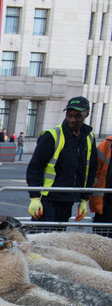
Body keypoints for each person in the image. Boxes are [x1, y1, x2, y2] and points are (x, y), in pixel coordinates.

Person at [26, 96, 98, 226]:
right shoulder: (51, 136)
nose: (72, 119)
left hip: (69, 198)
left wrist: (84, 199)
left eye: (77, 116)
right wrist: (35, 197)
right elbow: (35, 167)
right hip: (49, 199)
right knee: (42, 238)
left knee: (58, 238)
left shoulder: (89, 138)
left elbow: (90, 170)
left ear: (86, 114)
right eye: (69, 115)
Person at [90, 133, 112, 236]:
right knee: (102, 240)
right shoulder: (107, 144)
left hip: (105, 203)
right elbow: (95, 171)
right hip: (106, 204)